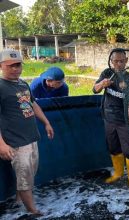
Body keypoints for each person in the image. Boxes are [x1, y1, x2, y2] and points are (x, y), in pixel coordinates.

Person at [0, 50, 54, 216]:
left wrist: (46, 122)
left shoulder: (23, 84)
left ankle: (18, 200)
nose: (15, 69)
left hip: (31, 138)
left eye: (18, 65)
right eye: (11, 66)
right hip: (15, 142)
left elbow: (33, 104)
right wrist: (1, 144)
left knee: (29, 174)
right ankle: (33, 211)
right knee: (25, 178)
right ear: (1, 66)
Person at [93, 48, 129, 190]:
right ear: (111, 62)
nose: (119, 64)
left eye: (122, 61)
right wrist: (103, 84)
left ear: (126, 61)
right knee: (113, 148)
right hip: (108, 118)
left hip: (124, 121)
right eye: (116, 61)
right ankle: (118, 173)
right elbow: (95, 89)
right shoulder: (106, 73)